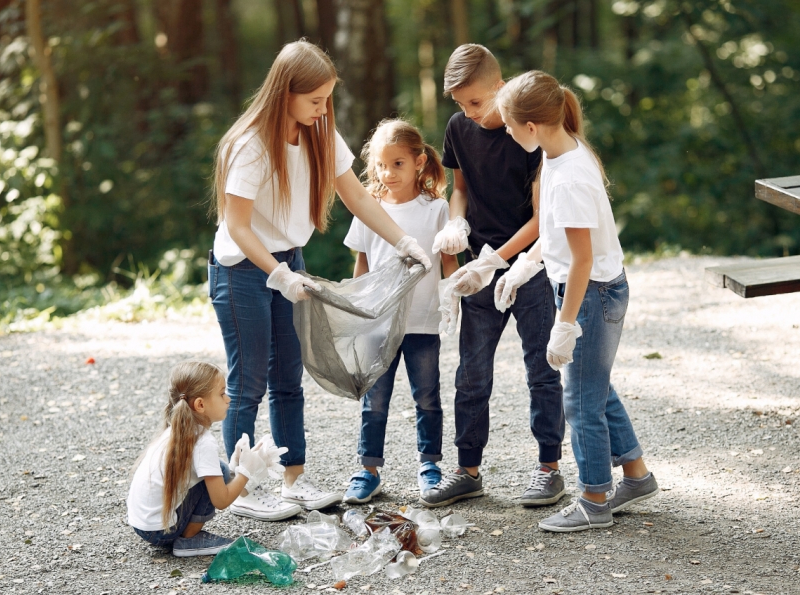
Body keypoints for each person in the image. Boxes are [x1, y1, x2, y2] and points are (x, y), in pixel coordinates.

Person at [209, 40, 432, 521]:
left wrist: (402, 241)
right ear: (284, 93)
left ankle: (294, 482)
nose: (322, 109)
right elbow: (238, 227)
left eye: (327, 99)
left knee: (289, 378)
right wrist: (278, 274)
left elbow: (357, 197)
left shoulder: (319, 133)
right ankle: (237, 488)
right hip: (242, 269)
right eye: (314, 100)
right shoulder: (247, 145)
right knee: (248, 382)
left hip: (289, 259)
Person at [494, 70, 658, 532]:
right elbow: (555, 234)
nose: (506, 132)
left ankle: (594, 500)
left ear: (530, 126)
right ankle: (637, 476)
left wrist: (565, 325)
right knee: (595, 387)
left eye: (508, 125)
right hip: (593, 287)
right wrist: (523, 266)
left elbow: (582, 260)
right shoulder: (559, 154)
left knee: (580, 402)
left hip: (591, 294)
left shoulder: (568, 176)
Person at [420, 44, 565, 509]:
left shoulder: (529, 133)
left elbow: (543, 218)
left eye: (476, 103)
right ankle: (467, 471)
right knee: (471, 374)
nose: (469, 113)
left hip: (529, 268)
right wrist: (455, 224)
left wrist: (496, 261)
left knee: (541, 370)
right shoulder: (459, 128)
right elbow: (458, 189)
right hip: (478, 270)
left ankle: (549, 469)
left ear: (500, 88)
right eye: (460, 105)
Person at [340, 119, 460, 504]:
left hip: (423, 323)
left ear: (419, 162)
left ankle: (430, 466)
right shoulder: (368, 209)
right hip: (379, 325)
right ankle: (368, 470)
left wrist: (452, 299)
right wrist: (357, 309)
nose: (387, 173)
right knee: (374, 401)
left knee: (427, 397)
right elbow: (361, 265)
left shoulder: (436, 210)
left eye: (397, 164)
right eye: (380, 165)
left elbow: (449, 263)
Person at [126, 361, 284, 556]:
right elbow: (221, 500)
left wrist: (238, 468)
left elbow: (218, 479)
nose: (228, 399)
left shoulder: (177, 430)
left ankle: (184, 534)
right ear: (200, 404)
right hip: (161, 531)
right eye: (222, 393)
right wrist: (246, 472)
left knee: (219, 469)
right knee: (217, 472)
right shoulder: (202, 441)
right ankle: (189, 540)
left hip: (143, 525)